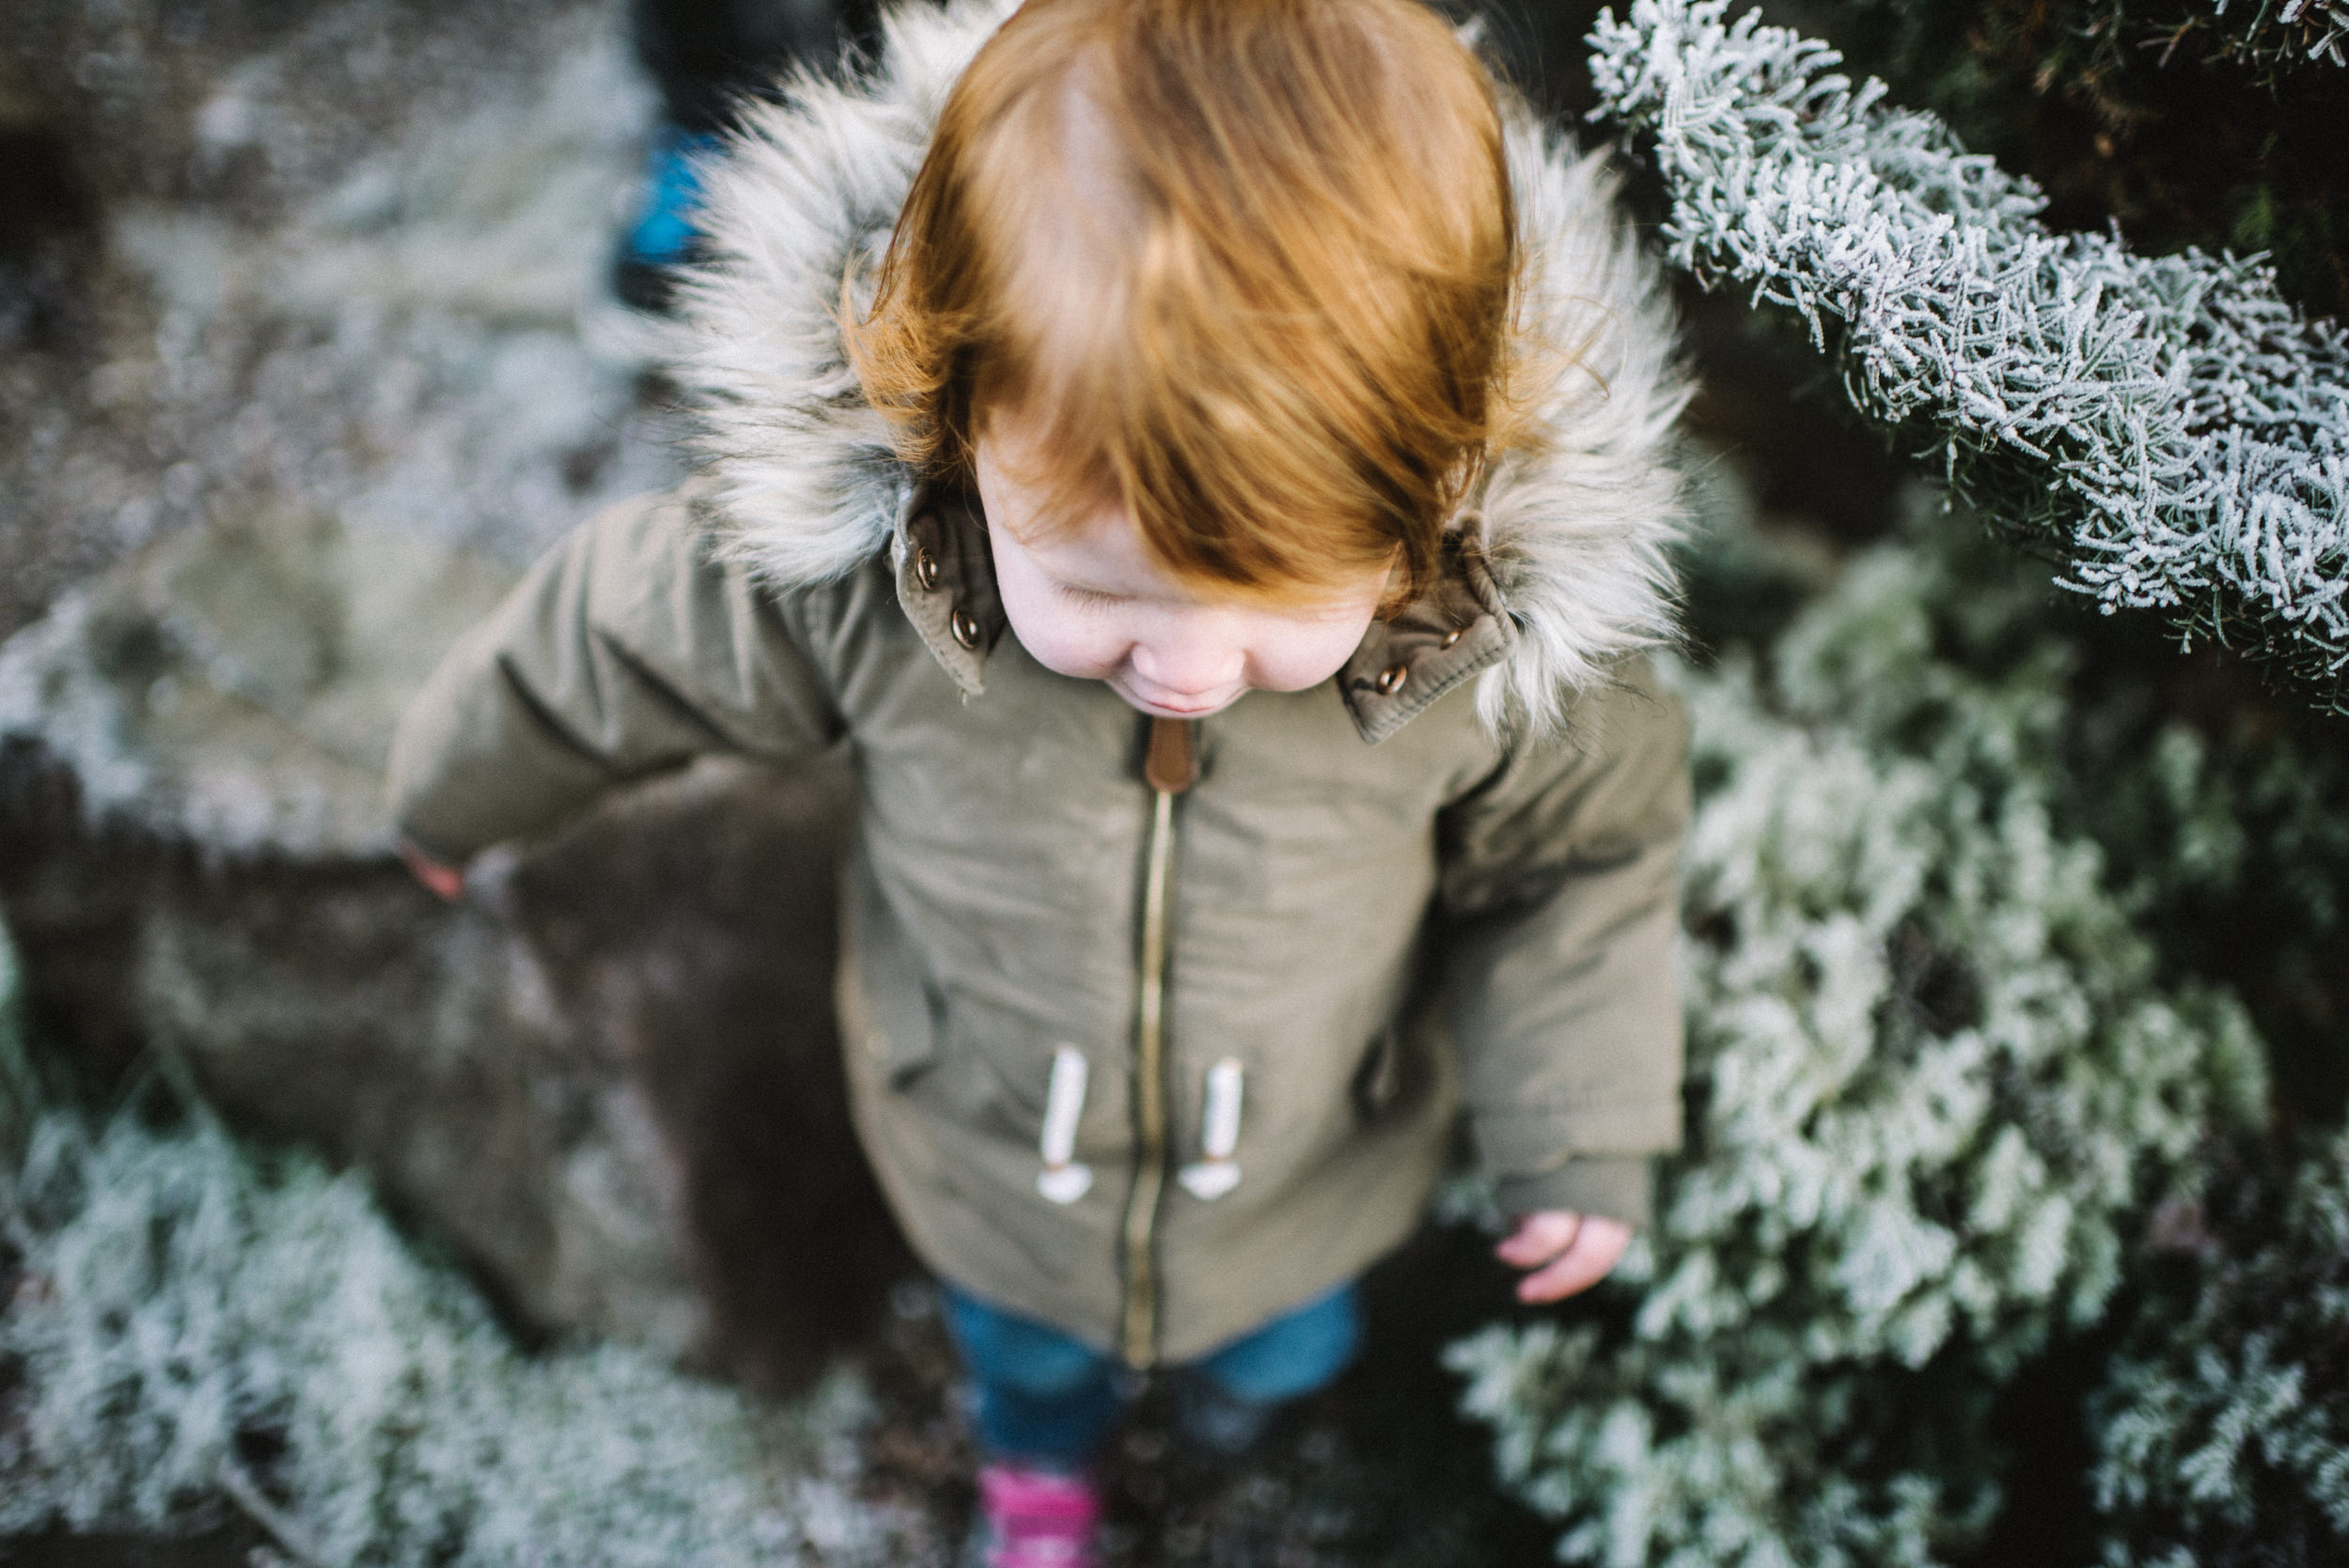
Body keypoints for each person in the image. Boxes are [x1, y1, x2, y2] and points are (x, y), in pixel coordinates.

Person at [390, 2, 1691, 1563]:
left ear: (1435, 489)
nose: (1186, 668)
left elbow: (1579, 871)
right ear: (953, 415)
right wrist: (458, 790)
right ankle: (1041, 1472)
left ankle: (1232, 1418)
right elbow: (611, 639)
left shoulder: (1477, 676)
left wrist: (1578, 1121)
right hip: (992, 1160)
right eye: (1105, 594)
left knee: (1283, 1348)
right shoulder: (866, 591)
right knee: (1025, 1362)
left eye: (1272, 606)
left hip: (1303, 1188)